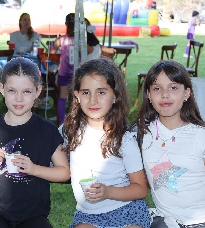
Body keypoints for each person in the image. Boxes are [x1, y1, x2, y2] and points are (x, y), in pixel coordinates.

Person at [134, 60, 205, 228]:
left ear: (186, 93)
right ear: (149, 95)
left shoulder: (204, 137)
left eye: (173, 88)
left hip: (203, 221)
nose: (165, 95)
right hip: (164, 221)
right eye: (157, 89)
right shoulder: (141, 135)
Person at [0, 57, 70, 228]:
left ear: (38, 91)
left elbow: (64, 172)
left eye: (26, 91)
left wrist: (34, 169)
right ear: (2, 89)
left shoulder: (47, 130)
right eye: (12, 90)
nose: (19, 98)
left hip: (33, 214)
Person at [61, 58, 150, 228]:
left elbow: (141, 189)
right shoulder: (69, 131)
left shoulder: (124, 140)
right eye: (86, 92)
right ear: (77, 96)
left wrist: (108, 192)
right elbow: (45, 145)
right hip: (88, 217)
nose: (93, 100)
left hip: (127, 210)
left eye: (101, 92)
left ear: (115, 96)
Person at [50, 13, 76, 124]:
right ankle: (74, 120)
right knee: (76, 97)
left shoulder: (61, 40)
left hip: (64, 71)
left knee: (62, 96)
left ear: (66, 24)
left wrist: (58, 62)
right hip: (77, 71)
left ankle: (61, 122)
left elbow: (51, 53)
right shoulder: (82, 40)